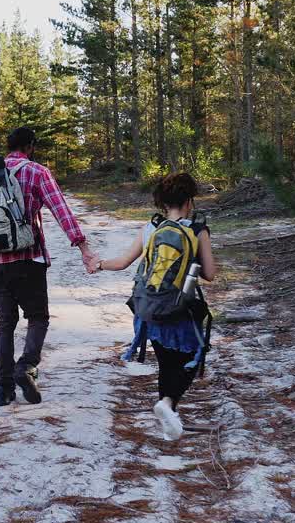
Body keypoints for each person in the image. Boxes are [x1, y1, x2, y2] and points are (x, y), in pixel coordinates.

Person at [0, 127, 99, 407]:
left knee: (6, 323)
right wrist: (83, 248)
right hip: (29, 259)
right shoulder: (36, 171)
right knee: (38, 318)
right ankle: (25, 367)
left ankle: (2, 389)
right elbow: (61, 210)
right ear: (31, 146)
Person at [92, 172, 218, 440]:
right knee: (190, 359)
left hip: (149, 309)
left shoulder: (151, 228)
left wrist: (98, 264)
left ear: (162, 202)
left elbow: (124, 262)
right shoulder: (197, 230)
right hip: (181, 308)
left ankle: (169, 420)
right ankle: (168, 405)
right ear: (189, 201)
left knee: (166, 363)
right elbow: (209, 273)